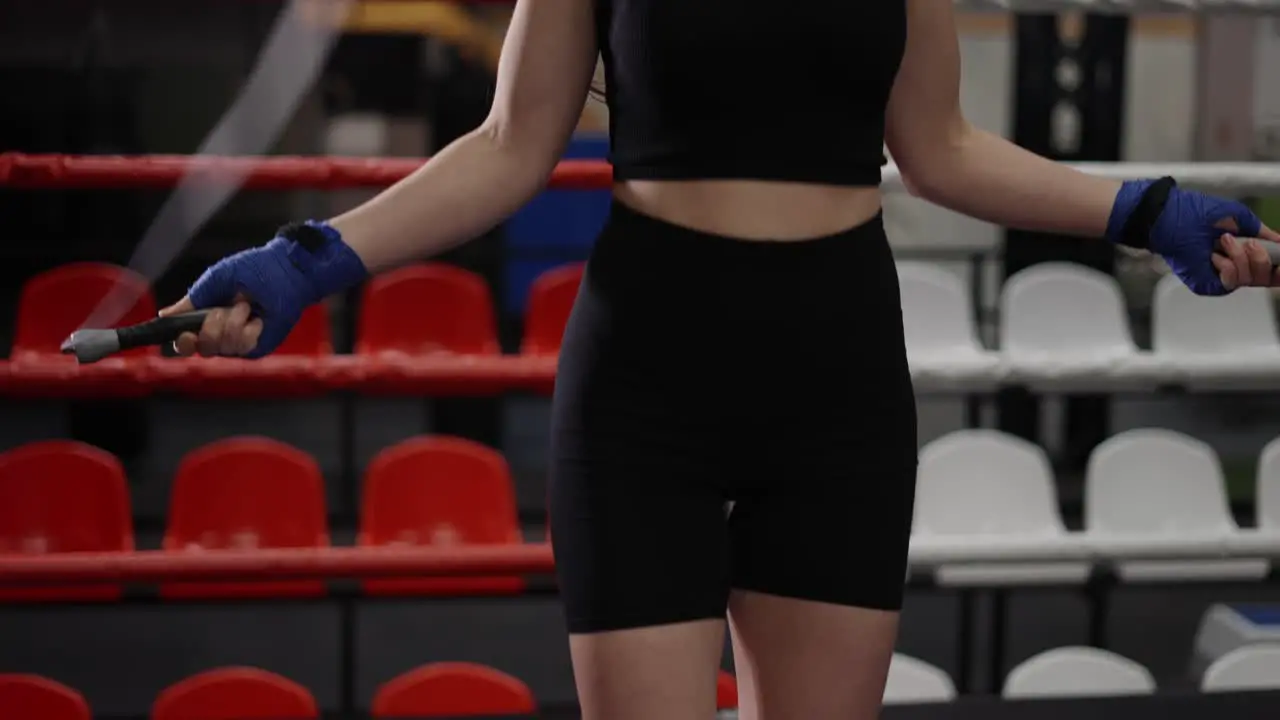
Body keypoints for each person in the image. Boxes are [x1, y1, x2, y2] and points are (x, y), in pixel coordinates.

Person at [162, 1, 1280, 718]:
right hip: (648, 384)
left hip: (834, 385)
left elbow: (939, 149)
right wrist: (304, 260)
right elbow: (510, 146)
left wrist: (1144, 208)